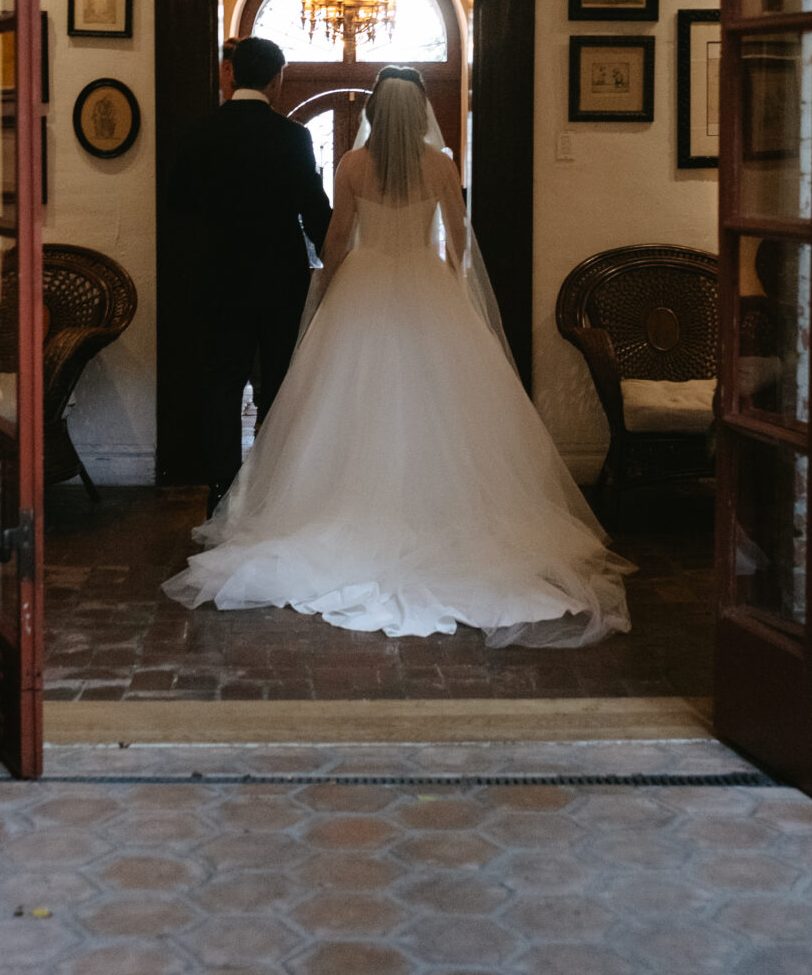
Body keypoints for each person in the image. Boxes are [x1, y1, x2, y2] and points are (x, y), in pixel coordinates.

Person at [165, 65, 631, 644]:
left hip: (364, 285)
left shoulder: (354, 164)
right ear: (421, 113)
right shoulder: (440, 164)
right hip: (423, 283)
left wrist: (328, 286)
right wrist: (451, 282)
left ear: (377, 112)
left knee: (348, 403)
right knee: (435, 403)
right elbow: (458, 237)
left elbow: (338, 237)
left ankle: (329, 506)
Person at [167, 33, 333, 507]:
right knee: (278, 383)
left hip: (217, 278)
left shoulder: (200, 131)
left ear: (232, 73)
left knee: (221, 384)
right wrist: (340, 258)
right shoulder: (293, 137)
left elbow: (177, 203)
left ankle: (221, 488)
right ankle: (271, 487)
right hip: (280, 280)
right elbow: (314, 210)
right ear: (277, 79)